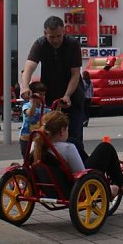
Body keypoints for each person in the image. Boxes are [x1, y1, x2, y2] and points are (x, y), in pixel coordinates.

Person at [20, 16, 85, 152]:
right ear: (45, 34)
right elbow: (28, 68)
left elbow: (75, 74)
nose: (56, 40)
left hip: (72, 96)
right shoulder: (40, 44)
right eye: (52, 37)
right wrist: (25, 87)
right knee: (50, 136)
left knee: (74, 137)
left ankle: (77, 162)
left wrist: (67, 95)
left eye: (59, 36)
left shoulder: (72, 44)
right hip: (50, 97)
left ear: (64, 32)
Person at [34, 110, 123, 194]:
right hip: (78, 186)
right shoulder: (68, 148)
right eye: (67, 129)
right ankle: (122, 182)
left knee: (74, 141)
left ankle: (113, 168)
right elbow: (82, 174)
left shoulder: (37, 145)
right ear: (62, 131)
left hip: (50, 186)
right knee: (105, 147)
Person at [19, 81, 49, 159]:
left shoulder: (45, 108)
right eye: (40, 95)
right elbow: (30, 113)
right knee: (27, 158)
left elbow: (53, 117)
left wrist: (59, 106)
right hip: (26, 138)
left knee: (38, 158)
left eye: (44, 94)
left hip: (39, 138)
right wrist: (34, 102)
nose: (42, 97)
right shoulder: (27, 105)